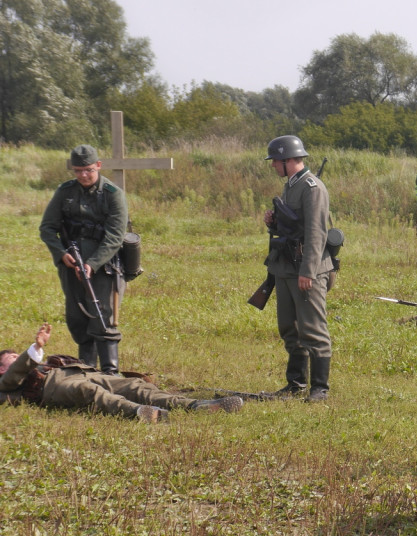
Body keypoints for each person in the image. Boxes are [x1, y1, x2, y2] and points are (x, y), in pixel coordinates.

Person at [1, 323, 243, 422]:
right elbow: (14, 376)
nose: (18, 358)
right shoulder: (5, 382)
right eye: (11, 358)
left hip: (83, 373)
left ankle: (196, 405)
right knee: (91, 392)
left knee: (134, 387)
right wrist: (36, 348)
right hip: (54, 388)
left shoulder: (36, 364)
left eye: (16, 356)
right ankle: (140, 413)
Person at [39, 144, 129, 374]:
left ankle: (110, 372)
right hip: (71, 264)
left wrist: (93, 264)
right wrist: (61, 254)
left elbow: (115, 237)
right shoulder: (65, 191)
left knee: (103, 316)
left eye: (88, 170)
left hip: (105, 265)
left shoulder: (113, 194)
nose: (83, 175)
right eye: (78, 171)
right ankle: (87, 370)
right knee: (76, 317)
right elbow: (47, 228)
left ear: (98, 166)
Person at [263, 135, 333, 402]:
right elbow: (293, 226)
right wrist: (273, 222)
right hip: (286, 267)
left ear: (289, 160)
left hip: (307, 268)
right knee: (289, 327)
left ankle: (319, 388)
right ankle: (295, 384)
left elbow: (317, 233)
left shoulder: (312, 187)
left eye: (276, 161)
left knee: (313, 328)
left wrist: (309, 271)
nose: (272, 166)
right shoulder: (290, 186)